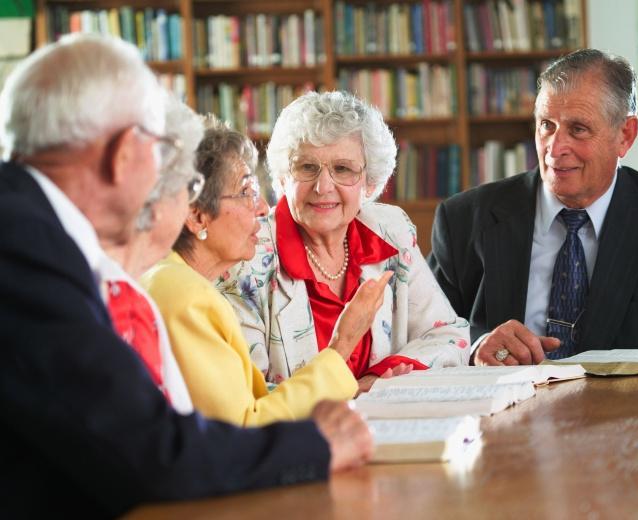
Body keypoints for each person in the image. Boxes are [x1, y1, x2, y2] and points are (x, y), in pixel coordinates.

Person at [0, 34, 371, 518]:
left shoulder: (32, 229)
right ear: (123, 154)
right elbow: (148, 449)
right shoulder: (25, 245)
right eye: (159, 150)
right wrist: (316, 446)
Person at [428, 48, 638, 366]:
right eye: (546, 126)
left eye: (577, 129)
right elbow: (426, 333)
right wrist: (477, 346)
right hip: (505, 407)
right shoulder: (463, 219)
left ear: (625, 134)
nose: (555, 148)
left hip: (622, 410)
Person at [142, 116, 391, 425]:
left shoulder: (176, 280)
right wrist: (341, 347)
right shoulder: (185, 296)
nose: (261, 209)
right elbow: (242, 430)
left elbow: (250, 405)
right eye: (246, 191)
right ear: (197, 216)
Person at [221, 91, 471, 394]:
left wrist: (380, 379)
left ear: (369, 182)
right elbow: (250, 391)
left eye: (343, 169)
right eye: (307, 167)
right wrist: (349, 392)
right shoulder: (247, 255)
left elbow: (448, 335)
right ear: (284, 178)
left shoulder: (391, 231)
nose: (323, 186)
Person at [100, 94, 205, 412]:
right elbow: (166, 452)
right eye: (190, 186)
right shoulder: (124, 302)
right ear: (156, 199)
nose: (190, 203)